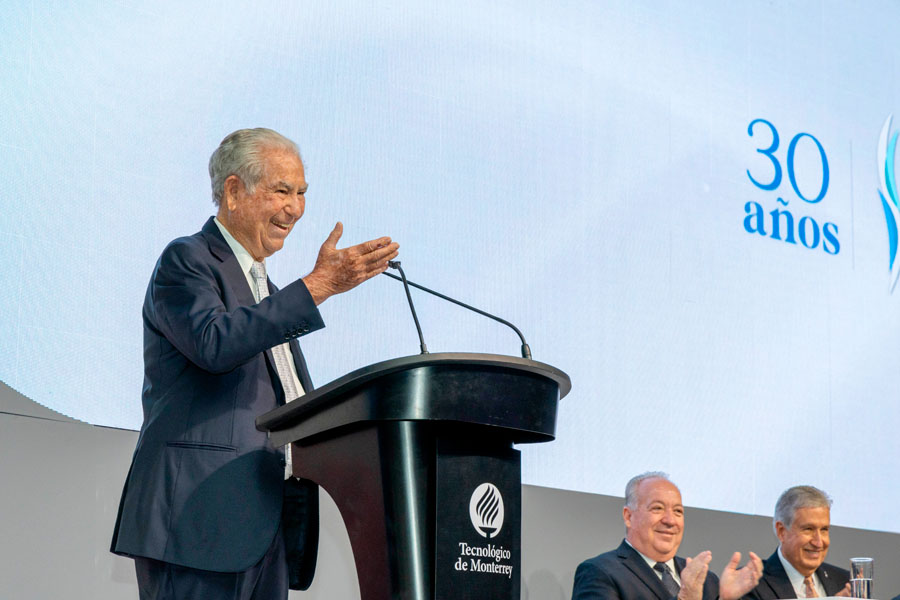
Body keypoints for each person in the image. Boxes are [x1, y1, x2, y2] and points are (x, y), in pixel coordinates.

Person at [109, 128, 399, 600]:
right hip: (199, 522)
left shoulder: (267, 290)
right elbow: (214, 343)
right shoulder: (188, 261)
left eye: (302, 193)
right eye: (282, 190)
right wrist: (319, 287)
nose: (296, 208)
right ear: (233, 191)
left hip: (269, 528)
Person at [572, 472, 762, 600]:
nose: (670, 520)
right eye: (657, 508)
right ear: (628, 516)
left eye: (678, 511)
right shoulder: (599, 572)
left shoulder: (707, 581)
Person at [744, 485, 850, 599]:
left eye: (824, 529)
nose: (818, 542)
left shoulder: (844, 581)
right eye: (808, 529)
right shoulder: (751, 585)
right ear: (782, 531)